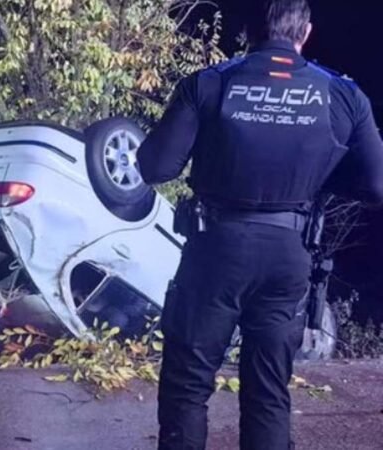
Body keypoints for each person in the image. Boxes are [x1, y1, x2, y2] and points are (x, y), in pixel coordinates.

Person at [136, 1, 383, 448]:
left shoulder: (209, 84)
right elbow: (377, 184)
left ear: (248, 31)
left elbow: (155, 167)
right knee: (268, 392)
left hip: (215, 251)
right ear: (304, 32)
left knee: (188, 386)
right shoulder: (343, 95)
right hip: (288, 254)